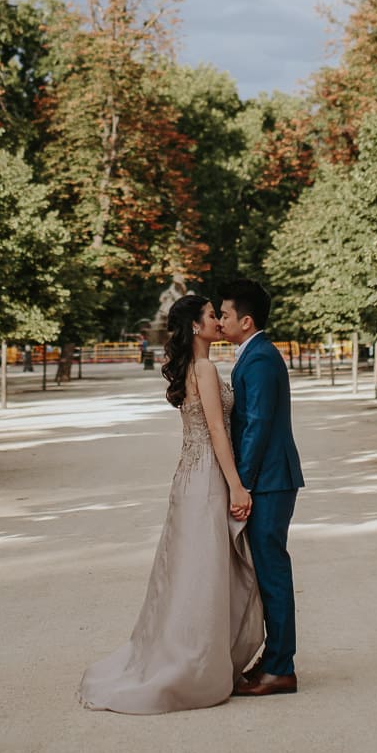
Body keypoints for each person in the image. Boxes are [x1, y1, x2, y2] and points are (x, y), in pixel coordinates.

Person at [78, 294, 264, 713]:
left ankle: (185, 653)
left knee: (188, 570)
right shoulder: (205, 368)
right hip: (209, 480)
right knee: (202, 571)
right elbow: (217, 431)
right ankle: (192, 663)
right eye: (212, 315)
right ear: (196, 327)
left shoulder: (190, 368)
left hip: (189, 477)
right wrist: (236, 486)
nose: (219, 320)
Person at [220, 277, 303, 696]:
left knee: (272, 572)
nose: (220, 320)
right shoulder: (251, 356)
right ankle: (273, 660)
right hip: (267, 479)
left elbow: (257, 426)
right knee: (267, 570)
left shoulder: (261, 360)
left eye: (226, 314)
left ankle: (280, 668)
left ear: (246, 320)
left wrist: (242, 486)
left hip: (269, 482)